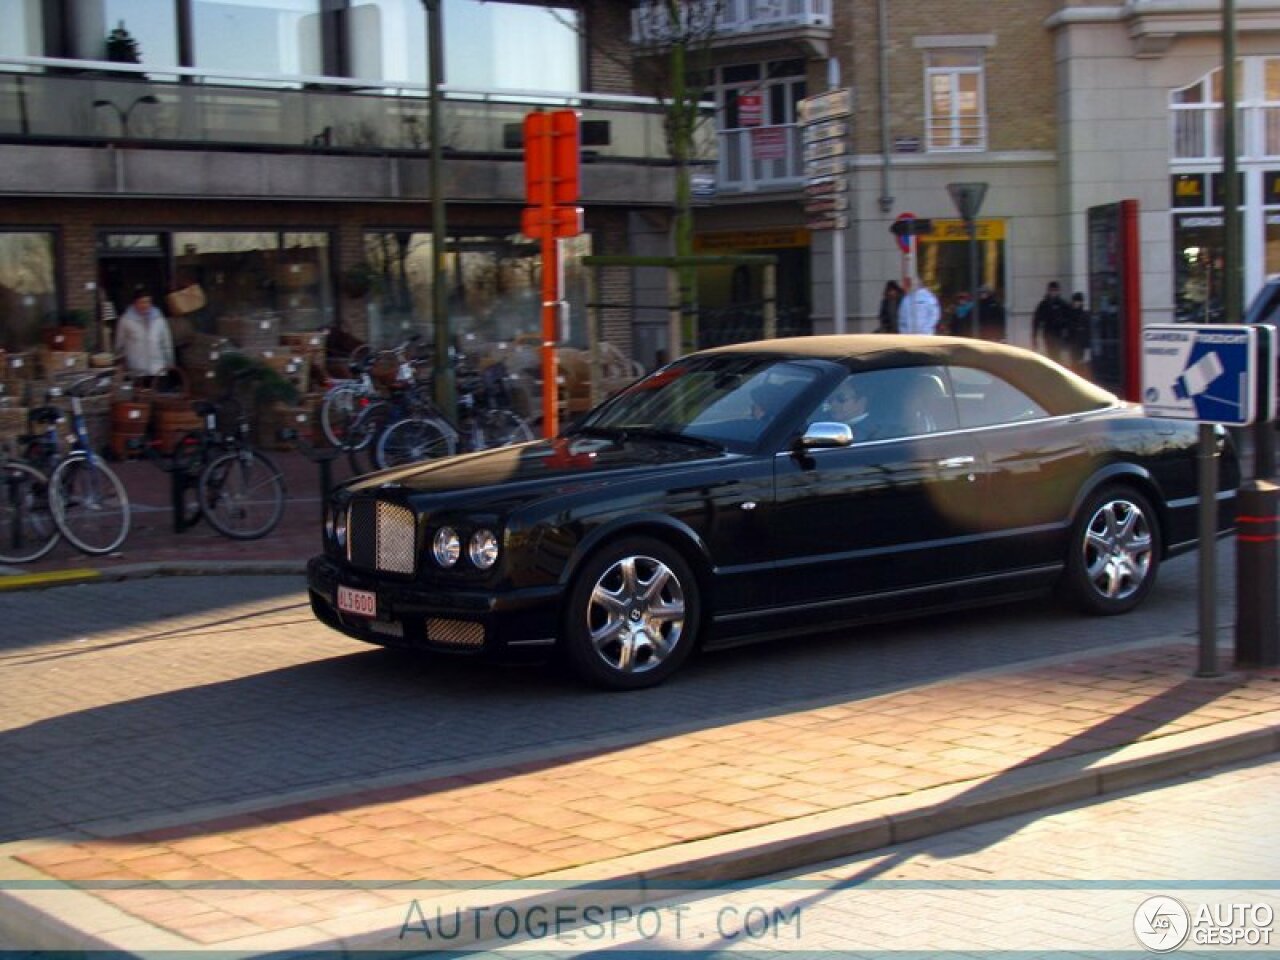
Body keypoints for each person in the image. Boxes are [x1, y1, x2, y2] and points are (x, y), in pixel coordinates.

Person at [114, 286, 175, 385]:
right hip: (137, 371)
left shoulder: (159, 319)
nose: (145, 305)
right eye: (141, 302)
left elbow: (166, 342)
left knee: (159, 398)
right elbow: (120, 344)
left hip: (158, 369)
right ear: (135, 303)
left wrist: (170, 363)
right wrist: (121, 364)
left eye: (148, 302)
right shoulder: (126, 320)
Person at [1033, 280, 1072, 363]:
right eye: (1052, 291)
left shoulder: (1062, 304)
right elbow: (1036, 321)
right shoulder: (1044, 304)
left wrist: (1067, 332)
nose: (1053, 293)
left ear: (1058, 291)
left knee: (1057, 354)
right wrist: (1034, 337)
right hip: (1048, 334)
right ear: (1049, 291)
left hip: (1059, 334)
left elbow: (1070, 319)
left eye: (1055, 291)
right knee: (1051, 354)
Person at [1066, 291, 1091, 371]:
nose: (1076, 303)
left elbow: (1087, 330)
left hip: (1080, 343)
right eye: (1075, 301)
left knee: (1079, 362)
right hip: (1073, 342)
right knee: (1074, 362)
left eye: (1078, 301)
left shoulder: (1084, 315)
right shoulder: (1070, 314)